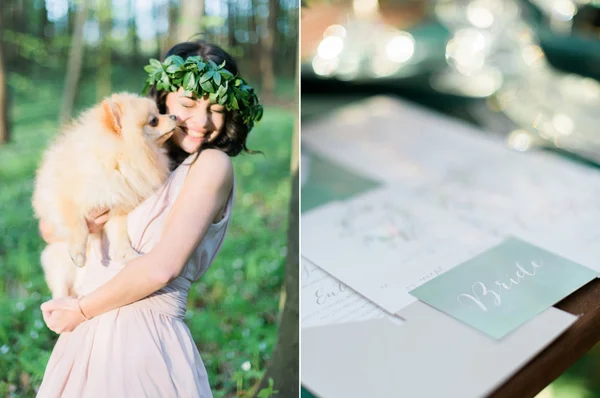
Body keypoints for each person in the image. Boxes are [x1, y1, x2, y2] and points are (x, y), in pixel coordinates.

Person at [36, 40, 263, 397]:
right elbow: (50, 228)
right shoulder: (142, 163)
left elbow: (162, 268)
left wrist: (80, 310)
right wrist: (88, 223)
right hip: (87, 339)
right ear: (164, 98)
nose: (201, 121)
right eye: (188, 104)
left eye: (216, 109)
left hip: (139, 341)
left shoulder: (210, 166)